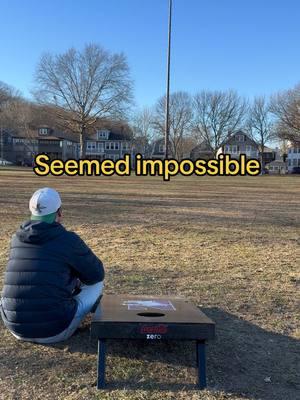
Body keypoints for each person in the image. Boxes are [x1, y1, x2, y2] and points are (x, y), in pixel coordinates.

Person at [0, 187, 105, 343]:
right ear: (59, 212)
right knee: (97, 283)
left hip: (15, 328)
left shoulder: (17, 238)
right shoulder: (68, 240)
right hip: (54, 330)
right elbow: (96, 274)